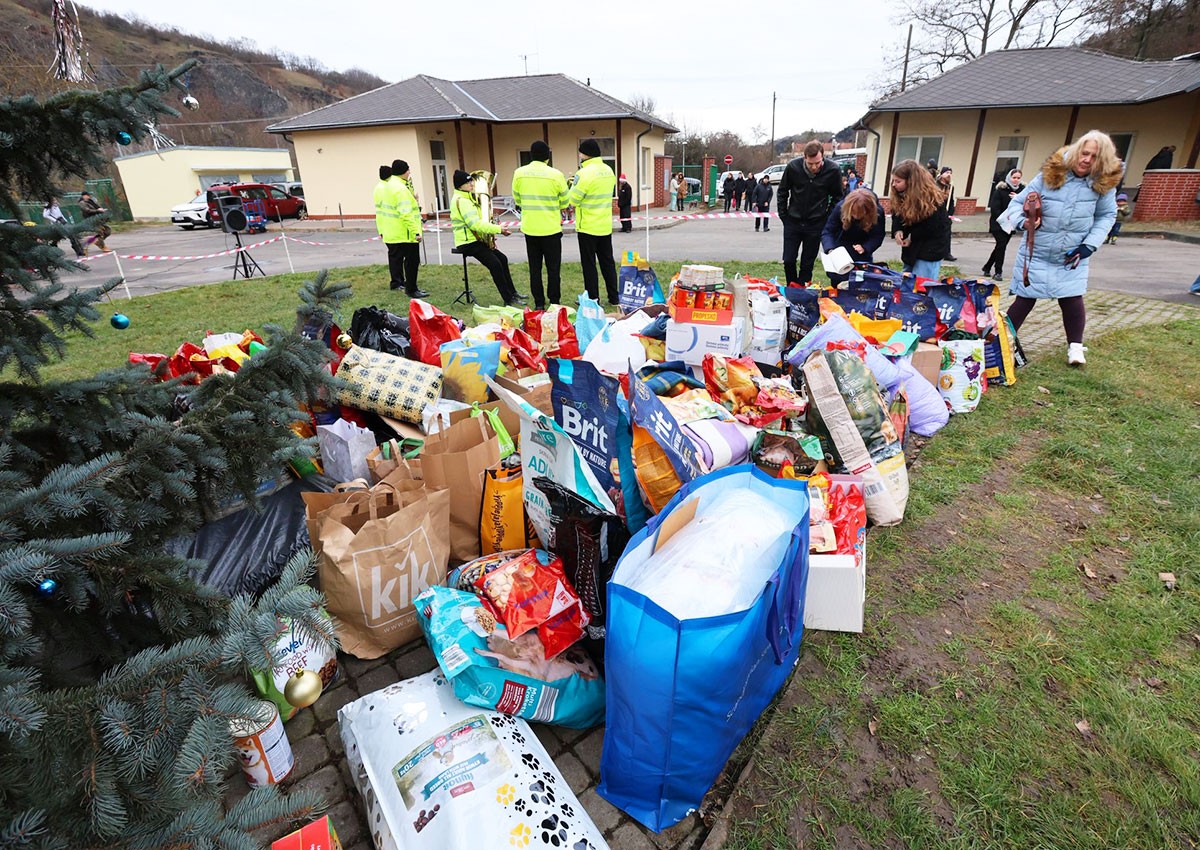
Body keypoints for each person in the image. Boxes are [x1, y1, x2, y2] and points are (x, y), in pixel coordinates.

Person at [1003, 130, 1120, 366]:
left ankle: (1075, 348)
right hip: (1037, 252)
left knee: (1072, 299)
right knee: (1024, 300)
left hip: (1072, 254)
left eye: (1094, 156)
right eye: (1084, 153)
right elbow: (1016, 204)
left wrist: (1089, 245)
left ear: (1103, 160)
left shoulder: (1103, 184)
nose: (1086, 159)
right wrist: (1023, 222)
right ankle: (1000, 342)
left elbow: (1107, 215)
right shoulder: (1049, 175)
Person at [450, 169, 524, 306]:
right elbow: (475, 224)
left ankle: (513, 293)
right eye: (468, 182)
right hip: (467, 242)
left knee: (502, 259)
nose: (472, 184)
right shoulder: (463, 201)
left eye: (471, 180)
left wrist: (489, 235)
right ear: (460, 186)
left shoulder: (468, 198)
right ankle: (508, 299)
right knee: (495, 264)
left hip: (475, 240)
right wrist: (498, 229)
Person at [777, 140, 845, 284]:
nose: (814, 167)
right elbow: (782, 191)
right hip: (793, 221)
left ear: (823, 157)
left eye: (818, 163)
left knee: (807, 264)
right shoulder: (793, 167)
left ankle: (802, 293)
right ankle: (791, 287)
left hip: (816, 224)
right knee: (788, 260)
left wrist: (827, 218)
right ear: (804, 158)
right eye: (810, 164)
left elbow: (838, 197)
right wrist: (784, 216)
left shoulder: (833, 170)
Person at [512, 140, 569, 309]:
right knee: (553, 269)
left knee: (534, 269)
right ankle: (554, 301)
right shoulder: (556, 174)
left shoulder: (519, 173)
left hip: (530, 229)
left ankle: (539, 303)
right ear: (547, 157)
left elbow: (517, 199)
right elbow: (566, 201)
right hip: (551, 229)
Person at [568, 139, 619, 304]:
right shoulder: (609, 170)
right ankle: (613, 296)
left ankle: (593, 297)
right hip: (604, 225)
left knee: (589, 264)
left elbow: (573, 200)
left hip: (587, 226)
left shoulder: (583, 173)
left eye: (580, 152)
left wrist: (571, 186)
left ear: (584, 153)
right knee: (607, 262)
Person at [888, 158, 951, 281]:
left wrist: (911, 237)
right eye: (893, 181)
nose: (894, 184)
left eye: (898, 181)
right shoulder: (900, 195)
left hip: (930, 250)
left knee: (922, 287)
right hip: (911, 250)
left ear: (911, 182)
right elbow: (897, 214)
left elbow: (932, 227)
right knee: (907, 284)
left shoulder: (933, 200)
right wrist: (898, 230)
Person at [820, 187, 886, 284]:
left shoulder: (877, 213)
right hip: (840, 251)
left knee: (860, 285)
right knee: (837, 286)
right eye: (853, 212)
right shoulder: (840, 208)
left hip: (861, 254)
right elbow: (828, 231)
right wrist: (830, 249)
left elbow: (878, 235)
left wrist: (865, 247)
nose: (855, 216)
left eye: (859, 213)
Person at [384, 159, 426, 297]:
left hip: (394, 231)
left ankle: (407, 286)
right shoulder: (401, 189)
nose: (409, 172)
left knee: (402, 260)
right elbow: (406, 213)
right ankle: (412, 289)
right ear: (403, 172)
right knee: (412, 261)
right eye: (408, 170)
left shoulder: (390, 184)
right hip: (406, 233)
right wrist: (416, 232)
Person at [982, 168, 1024, 281]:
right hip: (999, 223)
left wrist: (1018, 198)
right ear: (1009, 178)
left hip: (1012, 225)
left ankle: (987, 267)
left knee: (1001, 246)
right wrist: (1004, 219)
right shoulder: (1000, 190)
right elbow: (995, 208)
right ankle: (998, 272)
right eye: (1014, 177)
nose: (1016, 180)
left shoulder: (1022, 192)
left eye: (1018, 178)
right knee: (1001, 245)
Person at [936, 167, 958, 261]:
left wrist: (950, 213)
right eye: (947, 172)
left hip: (946, 213)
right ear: (941, 174)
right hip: (937, 212)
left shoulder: (950, 187)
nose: (949, 174)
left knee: (947, 233)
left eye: (950, 173)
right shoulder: (936, 185)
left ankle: (946, 253)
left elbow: (951, 200)